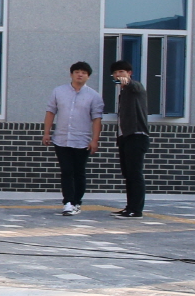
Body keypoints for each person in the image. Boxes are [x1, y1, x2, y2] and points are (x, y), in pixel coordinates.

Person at [43, 60, 104, 217]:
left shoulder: (94, 96)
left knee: (79, 171)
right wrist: (46, 133)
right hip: (61, 138)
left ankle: (77, 202)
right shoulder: (58, 91)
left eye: (83, 72)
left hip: (82, 139)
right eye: (77, 72)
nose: (80, 74)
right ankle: (68, 202)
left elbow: (97, 119)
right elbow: (50, 112)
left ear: (88, 76)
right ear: (71, 74)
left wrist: (95, 140)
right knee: (66, 171)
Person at [109, 60, 148, 218]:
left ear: (129, 73)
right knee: (128, 174)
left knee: (135, 173)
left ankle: (136, 209)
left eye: (122, 72)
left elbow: (135, 86)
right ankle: (129, 207)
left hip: (136, 135)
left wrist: (129, 82)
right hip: (125, 137)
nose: (118, 75)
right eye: (116, 73)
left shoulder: (135, 88)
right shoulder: (123, 92)